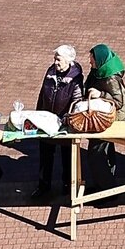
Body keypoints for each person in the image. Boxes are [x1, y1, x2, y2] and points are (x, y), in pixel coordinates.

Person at [29, 45, 86, 201]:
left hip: (64, 123)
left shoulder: (76, 78)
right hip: (47, 121)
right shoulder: (50, 72)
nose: (55, 62)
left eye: (58, 59)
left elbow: (77, 101)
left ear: (68, 60)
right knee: (45, 155)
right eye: (55, 58)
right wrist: (38, 115)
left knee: (67, 155)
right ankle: (43, 185)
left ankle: (68, 185)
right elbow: (43, 94)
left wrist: (67, 118)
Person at [86, 44, 125, 190]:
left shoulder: (111, 77)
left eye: (92, 59)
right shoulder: (98, 70)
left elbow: (119, 102)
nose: (90, 62)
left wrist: (100, 95)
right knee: (104, 151)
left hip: (114, 117)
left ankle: (106, 189)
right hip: (102, 114)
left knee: (97, 153)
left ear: (99, 60)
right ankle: (104, 185)